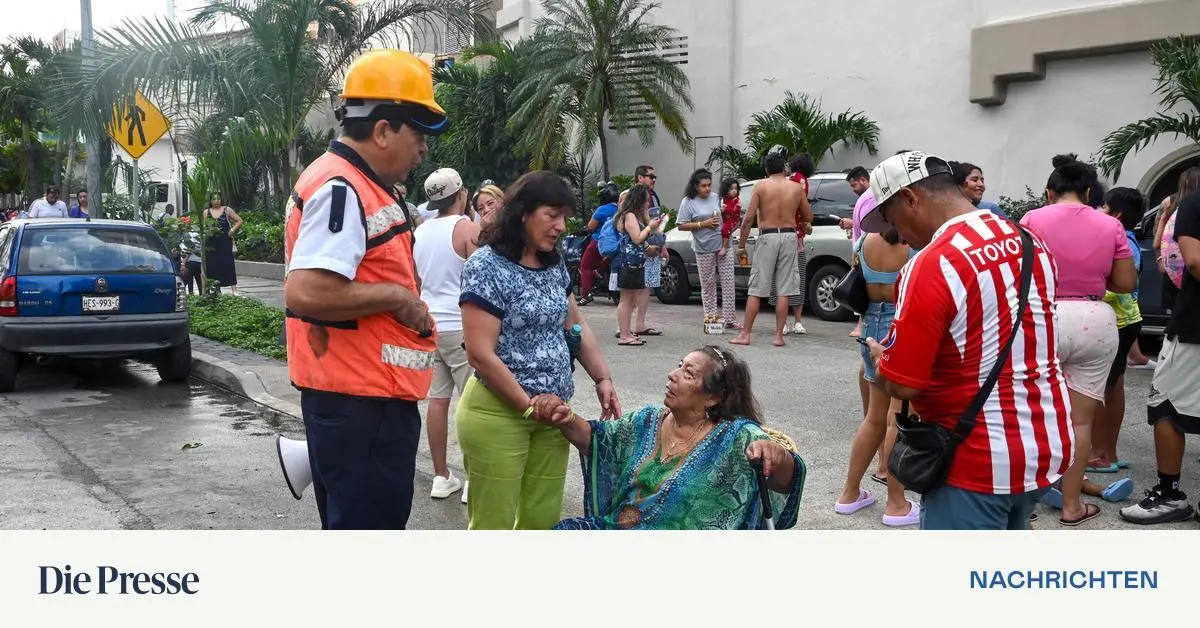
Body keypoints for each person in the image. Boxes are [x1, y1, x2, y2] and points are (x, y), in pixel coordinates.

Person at [861, 151, 1072, 530]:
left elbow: (904, 383)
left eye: (894, 221)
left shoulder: (932, 263)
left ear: (911, 199)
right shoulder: (1029, 242)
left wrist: (880, 360)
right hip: (1045, 443)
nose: (902, 236)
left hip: (974, 458)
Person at [282, 48, 448, 530]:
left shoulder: (357, 183)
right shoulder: (342, 188)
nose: (423, 149)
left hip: (363, 403)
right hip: (362, 406)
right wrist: (398, 299)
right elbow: (306, 292)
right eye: (418, 134)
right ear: (381, 131)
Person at [457, 170, 620, 530]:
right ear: (523, 213)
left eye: (565, 217)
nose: (561, 226)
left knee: (541, 521)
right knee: (492, 524)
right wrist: (530, 407)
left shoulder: (553, 263)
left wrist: (602, 377)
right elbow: (480, 354)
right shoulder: (486, 266)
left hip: (553, 414)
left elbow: (575, 325)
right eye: (552, 215)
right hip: (499, 413)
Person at [539, 346, 804, 530]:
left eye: (687, 374)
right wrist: (565, 416)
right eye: (679, 366)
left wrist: (778, 456)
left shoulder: (736, 436)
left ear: (713, 397)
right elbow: (597, 441)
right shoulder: (647, 421)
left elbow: (786, 477)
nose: (672, 375)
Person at [1020, 155, 1136, 526]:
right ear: (1088, 192)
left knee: (1030, 414)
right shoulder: (1110, 225)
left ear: (1049, 192)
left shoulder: (1031, 220)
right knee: (1080, 423)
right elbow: (1125, 284)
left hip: (1042, 317)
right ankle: (1072, 506)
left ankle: (1025, 506)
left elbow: (1017, 272)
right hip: (1094, 319)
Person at [1121, 190, 1200, 525]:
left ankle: (1170, 493)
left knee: (1165, 405)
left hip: (1195, 325)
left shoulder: (1195, 202)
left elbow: (1193, 260)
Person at [834, 225, 919, 527]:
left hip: (870, 326)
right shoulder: (915, 244)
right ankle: (896, 504)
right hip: (900, 327)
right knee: (897, 419)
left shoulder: (863, 242)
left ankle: (849, 493)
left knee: (874, 417)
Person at [413, 167, 479, 502]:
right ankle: (474, 479)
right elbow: (482, 278)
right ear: (462, 194)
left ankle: (441, 476)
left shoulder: (420, 232)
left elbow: (418, 281)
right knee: (473, 405)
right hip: (461, 327)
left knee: (437, 402)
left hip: (430, 326)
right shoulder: (466, 227)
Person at [1090, 187, 1148, 475]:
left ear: (1116, 214)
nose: (1098, 209)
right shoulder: (1129, 239)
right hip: (1126, 322)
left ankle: (1100, 453)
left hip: (1119, 322)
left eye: (1103, 205)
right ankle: (1108, 451)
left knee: (1104, 390)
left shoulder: (1122, 240)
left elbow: (1123, 284)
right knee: (1114, 387)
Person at [729, 147, 810, 347]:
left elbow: (748, 219)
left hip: (768, 236)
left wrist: (741, 246)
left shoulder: (761, 186)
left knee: (756, 288)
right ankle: (778, 336)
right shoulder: (795, 188)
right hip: (789, 236)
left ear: (766, 169)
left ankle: (746, 334)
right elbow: (808, 216)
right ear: (784, 168)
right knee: (784, 290)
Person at [677, 169, 734, 327]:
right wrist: (703, 224)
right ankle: (710, 317)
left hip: (724, 245)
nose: (707, 189)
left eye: (709, 185)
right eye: (703, 186)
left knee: (728, 283)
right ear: (695, 186)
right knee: (708, 284)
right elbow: (681, 225)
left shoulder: (716, 198)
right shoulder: (688, 202)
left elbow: (726, 216)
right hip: (703, 247)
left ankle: (730, 319)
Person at [768, 153, 816, 335]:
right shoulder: (801, 181)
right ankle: (797, 321)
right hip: (797, 237)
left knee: (781, 279)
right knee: (798, 278)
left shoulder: (787, 180)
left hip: (782, 234)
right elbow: (803, 210)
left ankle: (785, 322)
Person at [614, 185, 659, 346]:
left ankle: (627, 332)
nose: (647, 203)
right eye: (645, 200)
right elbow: (637, 238)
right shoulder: (629, 215)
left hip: (635, 261)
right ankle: (625, 334)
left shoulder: (631, 215)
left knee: (630, 298)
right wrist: (649, 227)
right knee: (626, 300)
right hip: (629, 262)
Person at [632, 165, 665, 338]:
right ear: (640, 177)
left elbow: (657, 223)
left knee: (647, 286)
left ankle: (639, 324)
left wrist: (662, 247)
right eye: (650, 176)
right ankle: (623, 326)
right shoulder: (630, 196)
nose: (653, 180)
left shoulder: (654, 197)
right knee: (631, 288)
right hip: (637, 247)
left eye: (654, 177)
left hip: (654, 245)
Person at [577, 183, 620, 305]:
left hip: (599, 243)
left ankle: (586, 296)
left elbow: (590, 227)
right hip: (616, 244)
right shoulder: (621, 209)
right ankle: (599, 270)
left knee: (585, 266)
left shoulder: (602, 210)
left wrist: (583, 229)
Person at [203, 193, 243, 295]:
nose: (216, 201)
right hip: (211, 242)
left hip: (224, 241)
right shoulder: (206, 212)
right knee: (212, 265)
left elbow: (239, 220)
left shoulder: (226, 210)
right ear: (210, 201)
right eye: (214, 199)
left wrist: (232, 230)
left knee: (228, 263)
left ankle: (234, 290)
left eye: (218, 199)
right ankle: (216, 289)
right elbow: (203, 227)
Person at [718, 178, 744, 329]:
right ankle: (716, 318)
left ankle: (729, 318)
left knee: (728, 284)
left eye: (736, 189)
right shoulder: (721, 200)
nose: (734, 191)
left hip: (729, 225)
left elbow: (735, 216)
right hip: (714, 240)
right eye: (731, 189)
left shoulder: (735, 201)